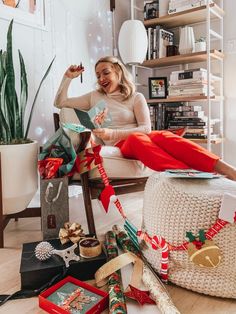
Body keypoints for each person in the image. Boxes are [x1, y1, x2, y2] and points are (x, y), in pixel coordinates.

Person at [54, 56, 236, 181]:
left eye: (106, 72)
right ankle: (190, 174)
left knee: (162, 136)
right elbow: (60, 103)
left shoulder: (136, 97)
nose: (101, 78)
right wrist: (67, 78)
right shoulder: (94, 96)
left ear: (118, 71)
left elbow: (146, 129)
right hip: (123, 144)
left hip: (142, 137)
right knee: (137, 138)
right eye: (98, 75)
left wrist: (112, 132)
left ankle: (226, 170)